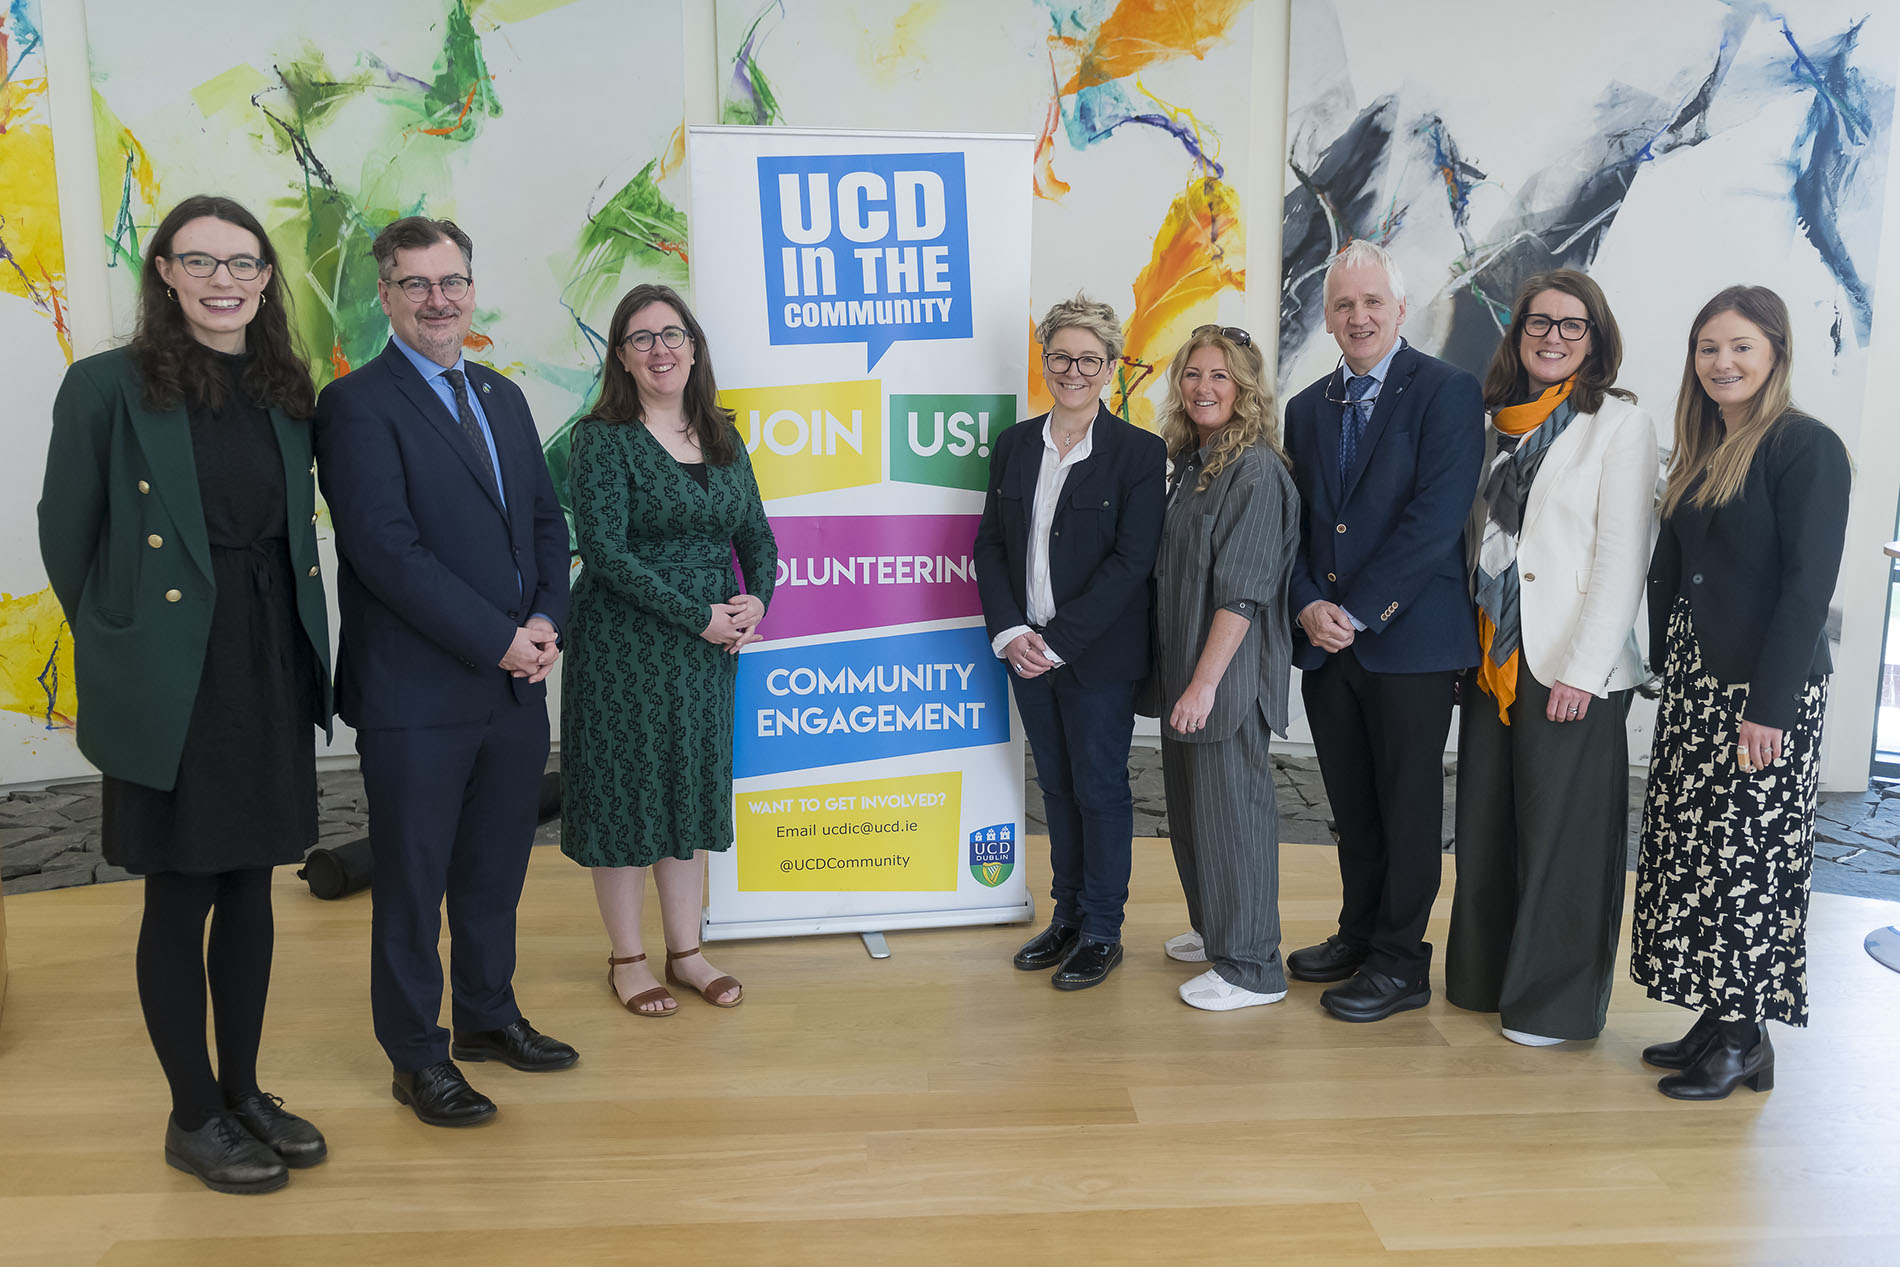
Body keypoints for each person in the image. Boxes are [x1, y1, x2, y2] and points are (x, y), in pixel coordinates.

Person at [38, 195, 332, 1193]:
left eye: (243, 263)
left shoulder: (289, 388)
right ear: (164, 270)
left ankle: (244, 1090)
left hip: (268, 654)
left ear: (264, 278)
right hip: (173, 664)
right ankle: (192, 1111)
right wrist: (125, 645)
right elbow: (66, 537)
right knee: (182, 888)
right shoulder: (106, 386)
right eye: (199, 260)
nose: (223, 280)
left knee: (251, 883)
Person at [315, 216, 576, 1128]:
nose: (439, 300)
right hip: (416, 695)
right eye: (417, 283)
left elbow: (547, 521)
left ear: (472, 288)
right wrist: (499, 636)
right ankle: (417, 1056)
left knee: (494, 871)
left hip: (513, 685)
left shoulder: (502, 395)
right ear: (385, 294)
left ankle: (487, 1016)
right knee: (413, 880)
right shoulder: (355, 405)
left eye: (452, 281)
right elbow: (387, 551)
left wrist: (544, 620)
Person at [1630, 285, 1851, 1099]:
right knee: (1696, 852)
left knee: (1750, 859)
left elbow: (1806, 588)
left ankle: (1745, 1036)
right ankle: (1716, 1018)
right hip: (1697, 682)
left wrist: (1769, 705)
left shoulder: (1806, 447)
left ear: (1775, 355)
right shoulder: (1704, 444)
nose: (1722, 362)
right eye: (1709, 348)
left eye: (1741, 347)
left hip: (1760, 692)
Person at [1445, 270, 1659, 1046]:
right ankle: (1484, 976)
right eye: (1541, 322)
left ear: (1595, 340)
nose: (1554, 337)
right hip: (1492, 658)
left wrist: (1584, 667)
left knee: (1564, 841)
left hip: (1569, 662)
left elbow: (1621, 554)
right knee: (1487, 826)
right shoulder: (1489, 419)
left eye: (1574, 326)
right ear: (1519, 329)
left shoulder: (1618, 425)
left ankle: (1553, 1004)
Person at [1282, 240, 1485, 1022]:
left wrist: (1357, 611)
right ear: (1328, 317)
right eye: (1344, 305)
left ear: (1401, 309)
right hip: (1326, 644)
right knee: (1352, 803)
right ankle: (1359, 933)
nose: (1359, 316)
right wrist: (1306, 604)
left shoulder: (1446, 392)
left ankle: (1401, 963)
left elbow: (1434, 522)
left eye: (1372, 302)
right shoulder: (1304, 409)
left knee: (1405, 809)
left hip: (1409, 644)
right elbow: (1297, 528)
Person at [561, 283, 775, 1015]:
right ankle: (628, 958)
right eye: (641, 337)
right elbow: (606, 554)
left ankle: (686, 949)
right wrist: (701, 615)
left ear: (693, 346)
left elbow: (758, 538)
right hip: (624, 647)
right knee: (626, 798)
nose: (660, 349)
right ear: (621, 356)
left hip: (706, 652)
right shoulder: (602, 439)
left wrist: (757, 601)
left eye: (672, 334)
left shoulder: (721, 433)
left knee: (688, 791)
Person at [974, 294, 1166, 990]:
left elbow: (1130, 563)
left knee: (1100, 789)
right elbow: (991, 546)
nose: (1074, 370)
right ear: (1046, 360)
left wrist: (1057, 641)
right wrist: (1011, 631)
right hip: (1024, 653)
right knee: (1054, 786)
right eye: (1062, 357)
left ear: (1111, 367)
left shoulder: (1140, 455)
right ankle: (1066, 917)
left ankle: (1103, 930)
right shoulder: (1015, 445)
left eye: (1089, 359)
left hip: (1096, 661)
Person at [1150, 326, 1301, 1012]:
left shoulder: (1256, 471)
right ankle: (1217, 928)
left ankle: (1251, 966)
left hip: (1226, 675)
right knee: (1193, 811)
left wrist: (1206, 681)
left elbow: (1243, 590)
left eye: (1220, 375)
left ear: (1245, 389)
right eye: (1193, 374)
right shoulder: (1195, 459)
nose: (1204, 387)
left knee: (1231, 815)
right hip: (1189, 669)